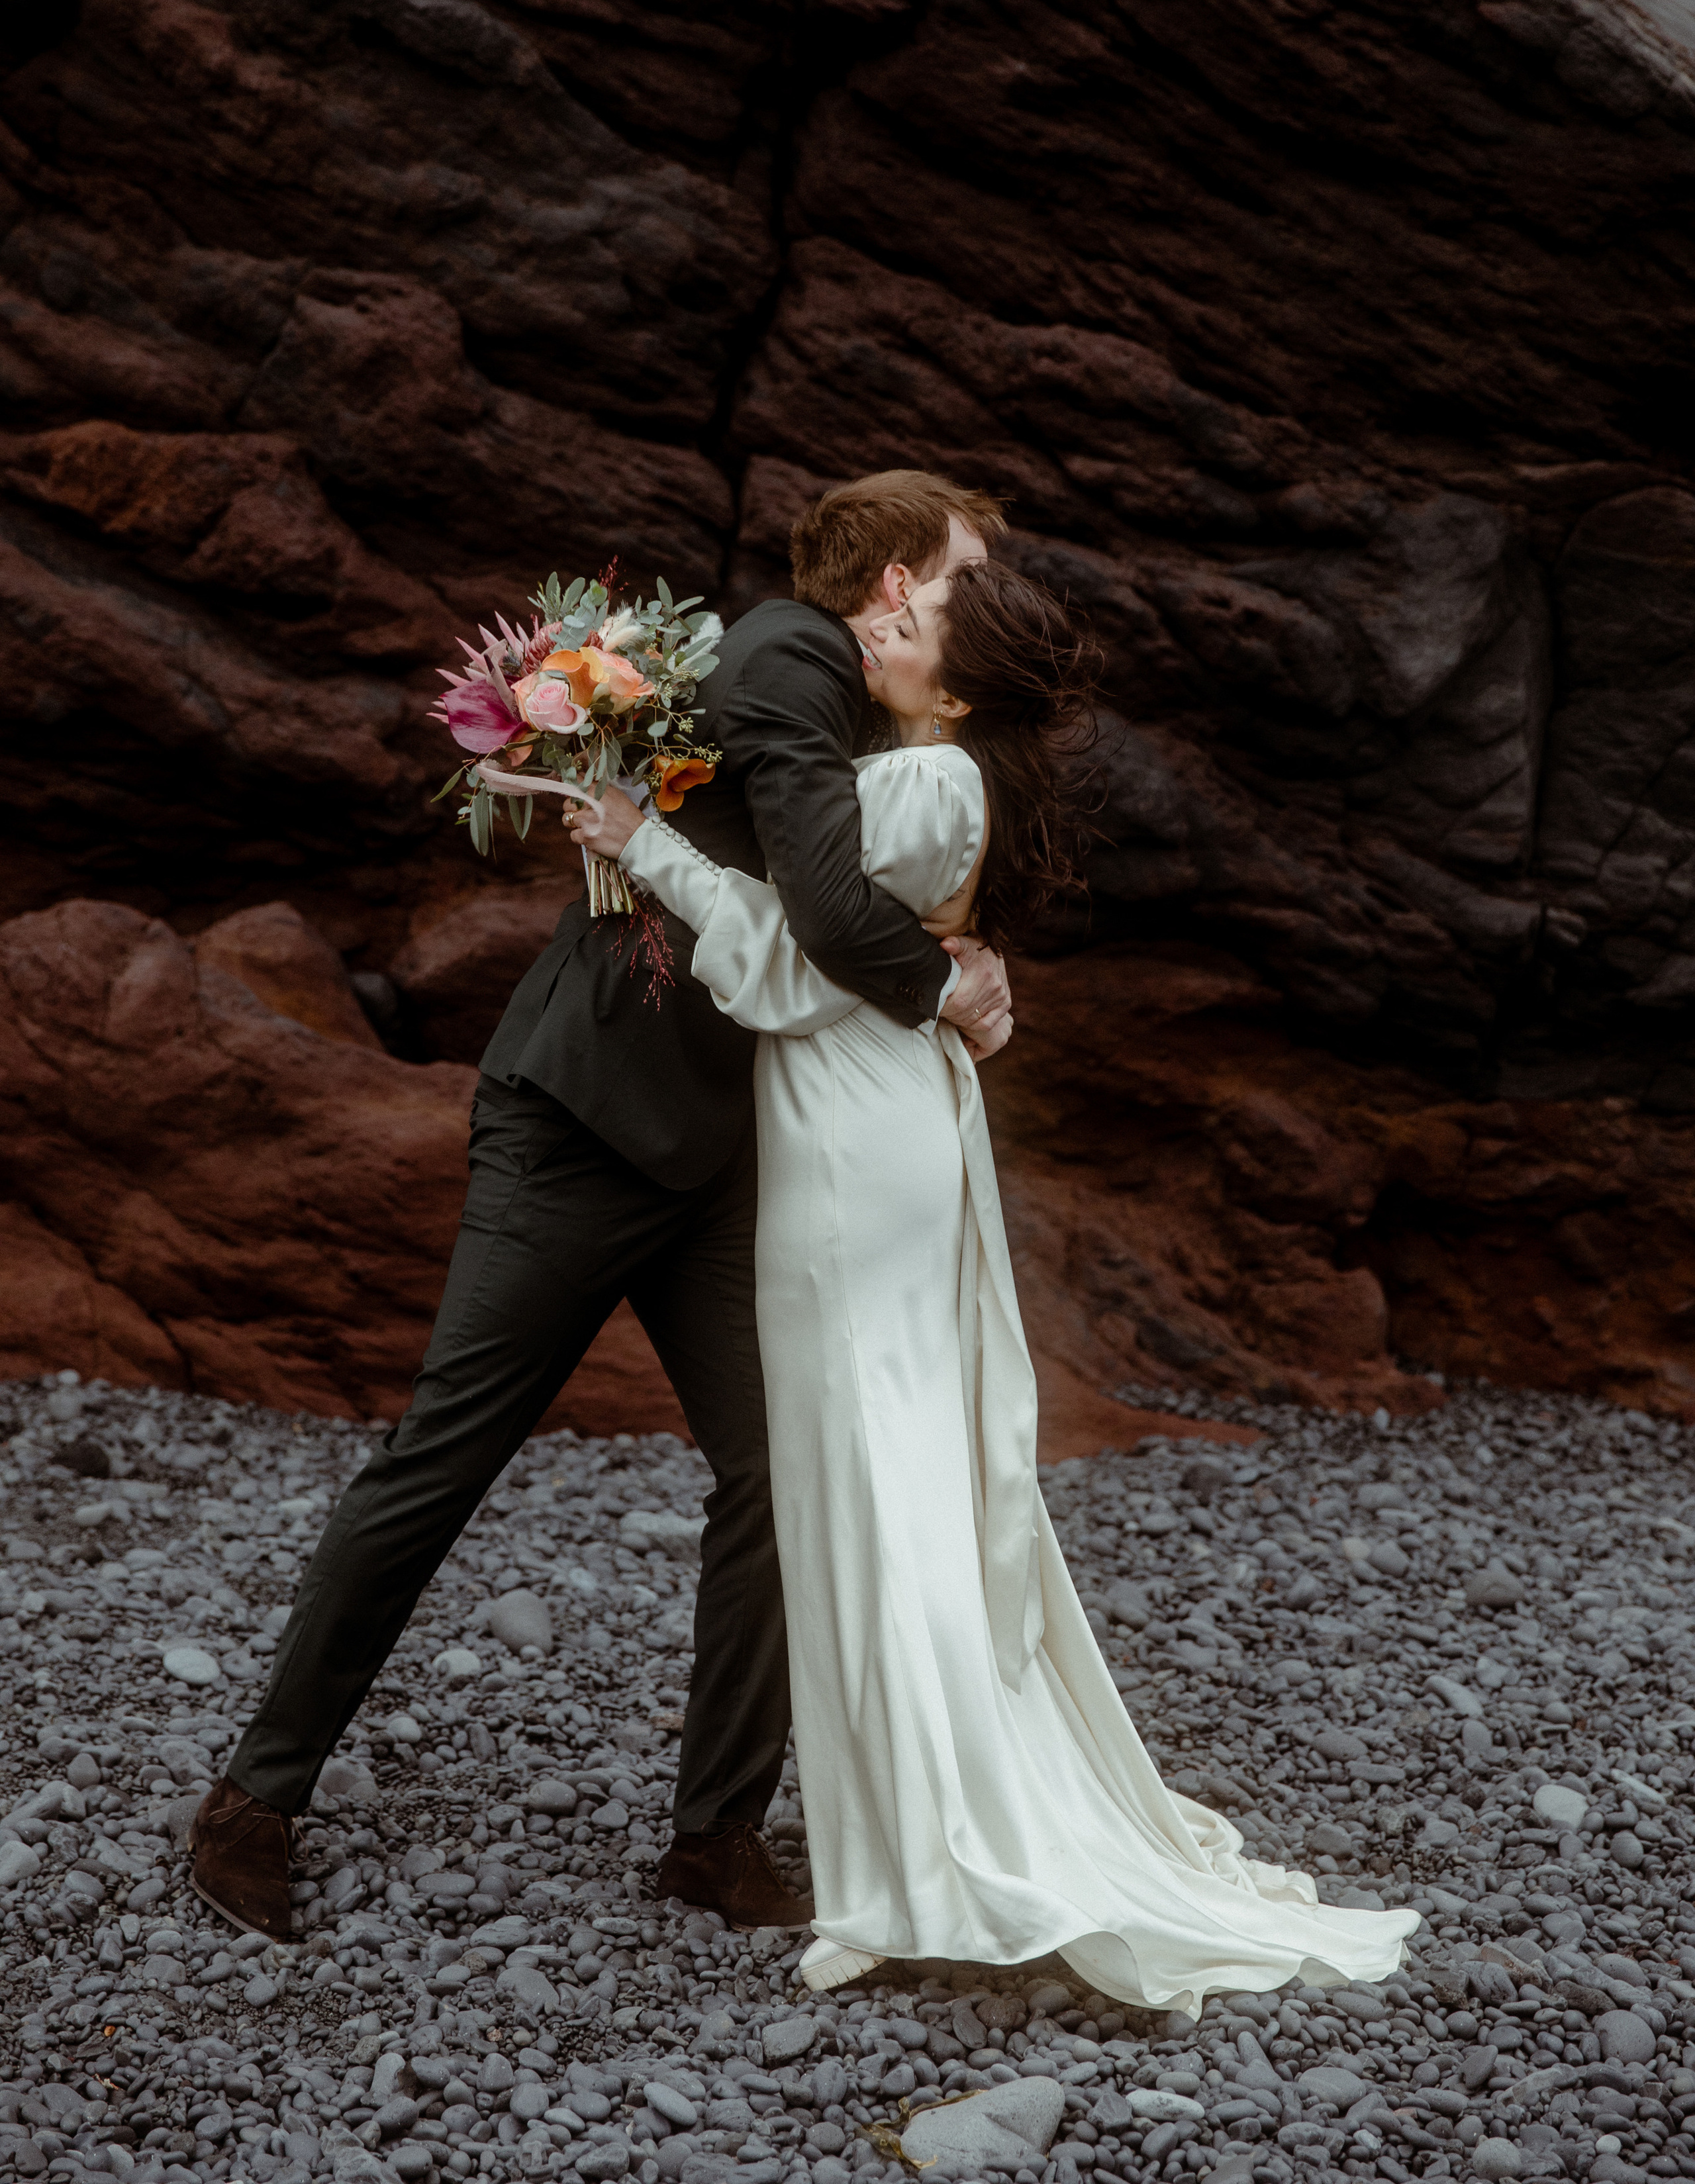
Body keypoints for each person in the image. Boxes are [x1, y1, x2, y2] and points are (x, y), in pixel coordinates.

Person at [571, 558, 1420, 2009]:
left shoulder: (921, 781)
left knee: (873, 1475)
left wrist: (642, 840)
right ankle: (908, 1819)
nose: (884, 622)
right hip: (877, 1114)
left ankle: (934, 1846)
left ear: (954, 692)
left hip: (852, 1133)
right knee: (880, 1466)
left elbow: (789, 966)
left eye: (915, 623)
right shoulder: (941, 776)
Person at [188, 471, 1014, 1944]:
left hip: (724, 1153)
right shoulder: (787, 650)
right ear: (893, 580)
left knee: (779, 1473)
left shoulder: (884, 710)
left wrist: (969, 947)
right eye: (961, 571)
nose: (974, 600)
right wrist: (940, 990)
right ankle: (253, 1802)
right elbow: (829, 908)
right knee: (448, 1452)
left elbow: (871, 879)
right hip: (582, 1119)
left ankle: (715, 1836)